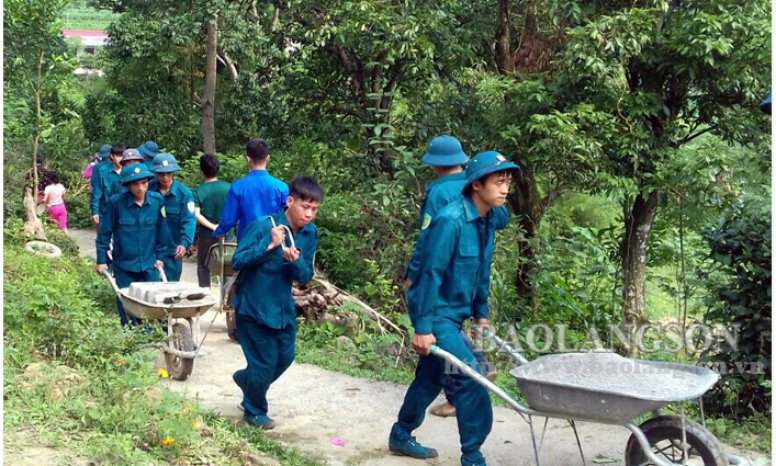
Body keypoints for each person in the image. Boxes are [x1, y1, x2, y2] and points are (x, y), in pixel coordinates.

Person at [389, 151, 519, 466]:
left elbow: (480, 271)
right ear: (476, 184)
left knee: (431, 378)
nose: (504, 189)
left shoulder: (486, 221)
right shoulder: (450, 220)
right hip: (437, 315)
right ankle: (472, 456)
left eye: (507, 183)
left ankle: (401, 434)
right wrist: (422, 328)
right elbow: (428, 275)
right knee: (473, 376)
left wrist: (481, 313)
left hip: (455, 315)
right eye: (498, 182)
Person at [404, 136, 502, 419]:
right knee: (436, 357)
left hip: (440, 283)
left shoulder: (438, 194)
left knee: (441, 332)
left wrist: (412, 275)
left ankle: (470, 378)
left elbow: (427, 242)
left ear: (434, 164)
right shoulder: (479, 187)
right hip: (466, 279)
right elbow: (501, 218)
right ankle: (409, 425)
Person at [230, 177, 323, 430]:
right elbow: (237, 261)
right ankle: (255, 411)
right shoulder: (265, 225)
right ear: (290, 202)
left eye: (314, 209)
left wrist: (294, 261)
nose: (309, 214)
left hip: (281, 308)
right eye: (305, 206)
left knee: (285, 357)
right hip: (252, 305)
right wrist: (269, 245)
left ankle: (246, 380)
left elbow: (305, 276)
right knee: (264, 362)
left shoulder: (309, 233)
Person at [95, 164, 168, 326]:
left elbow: (163, 232)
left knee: (152, 303)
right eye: (135, 184)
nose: (140, 188)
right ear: (128, 185)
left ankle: (151, 334)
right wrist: (101, 260)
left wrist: (161, 257)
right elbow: (104, 233)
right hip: (124, 265)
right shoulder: (116, 203)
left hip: (149, 264)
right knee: (127, 305)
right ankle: (129, 335)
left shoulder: (157, 201)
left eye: (144, 183)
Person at [213, 138, 288, 242]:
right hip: (273, 243)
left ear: (248, 159)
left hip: (247, 245)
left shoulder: (238, 186)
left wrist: (220, 231)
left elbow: (229, 219)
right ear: (268, 158)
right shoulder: (282, 188)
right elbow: (287, 218)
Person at [150, 152, 196, 282]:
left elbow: (189, 220)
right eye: (161, 173)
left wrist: (185, 243)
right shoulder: (148, 191)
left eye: (168, 173)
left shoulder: (184, 194)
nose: (165, 177)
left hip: (173, 251)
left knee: (171, 290)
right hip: (150, 251)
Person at [193, 153, 232, 288]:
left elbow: (196, 215)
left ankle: (205, 293)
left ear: (202, 171)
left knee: (203, 265)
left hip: (206, 235)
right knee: (228, 265)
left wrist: (213, 227)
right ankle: (228, 297)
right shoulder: (229, 188)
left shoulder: (198, 191)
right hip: (227, 233)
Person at [91, 144, 125, 233]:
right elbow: (97, 191)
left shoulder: (128, 171)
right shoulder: (102, 171)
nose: (120, 158)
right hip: (106, 211)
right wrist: (95, 211)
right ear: (112, 156)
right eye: (118, 155)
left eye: (122, 155)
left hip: (125, 212)